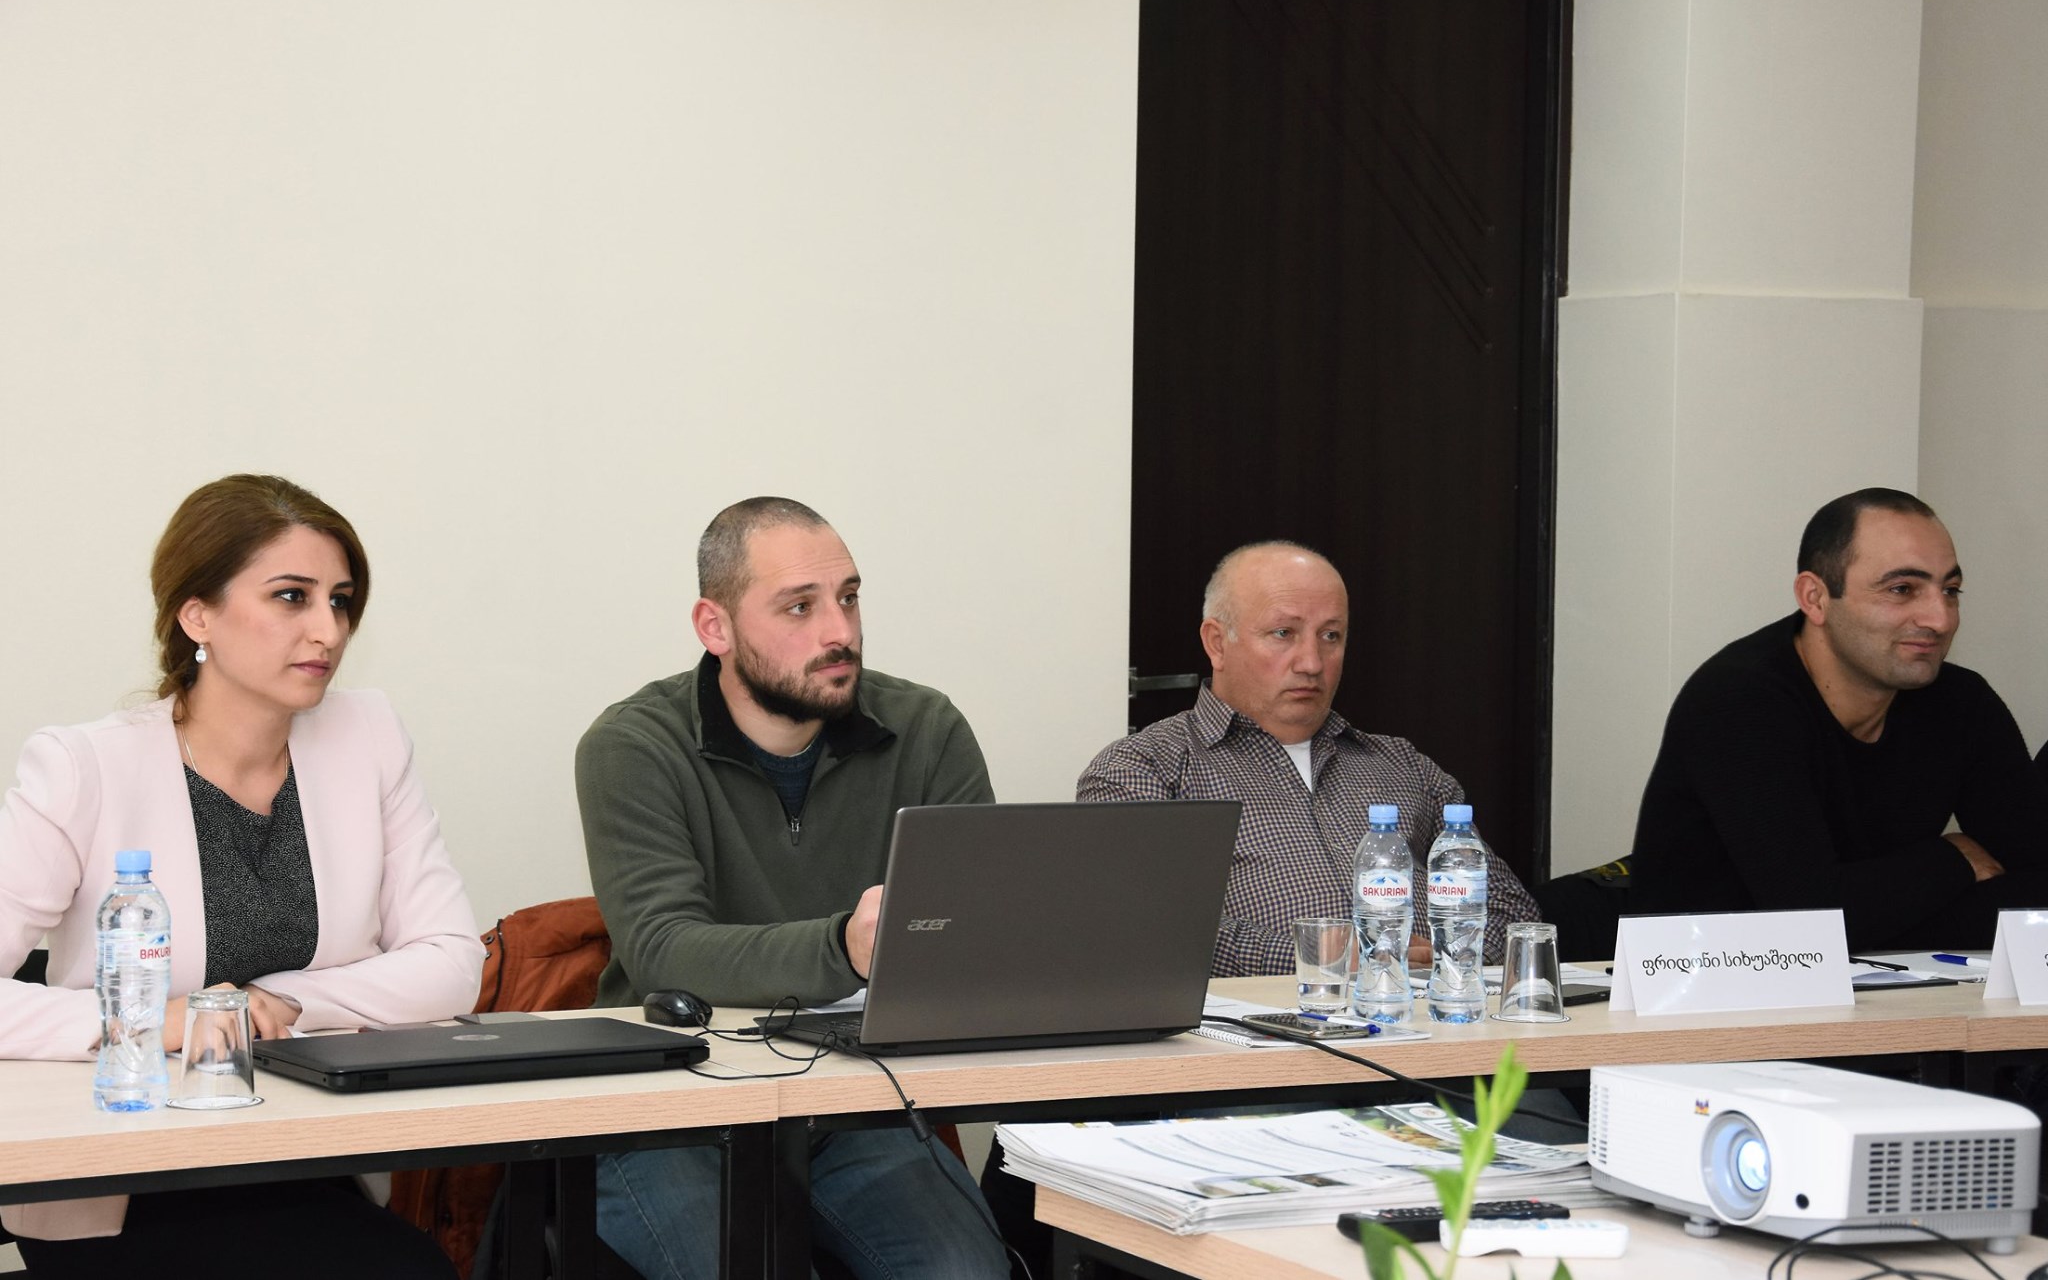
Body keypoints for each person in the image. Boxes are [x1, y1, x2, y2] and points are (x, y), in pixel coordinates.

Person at [0, 474, 481, 1275]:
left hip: (303, 1156)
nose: (327, 629)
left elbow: (452, 961)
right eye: (292, 597)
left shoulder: (366, 734)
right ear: (198, 616)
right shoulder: (84, 765)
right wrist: (154, 1022)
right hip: (124, 1176)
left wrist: (278, 1002)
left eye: (340, 600)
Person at [576, 496, 1007, 1280]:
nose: (840, 630)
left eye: (849, 597)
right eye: (800, 607)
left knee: (965, 1270)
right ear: (715, 626)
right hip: (669, 1108)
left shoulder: (926, 728)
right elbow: (664, 948)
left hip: (852, 1100)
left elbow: (979, 928)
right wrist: (844, 946)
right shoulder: (633, 744)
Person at [1077, 541, 1540, 976]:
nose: (1312, 663)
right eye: (1284, 633)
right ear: (1217, 643)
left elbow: (1512, 912)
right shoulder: (1142, 769)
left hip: (1425, 1012)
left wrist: (1446, 958)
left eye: (1330, 636)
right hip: (1259, 1026)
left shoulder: (1404, 766)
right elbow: (1139, 927)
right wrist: (1323, 954)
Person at [1630, 487, 2048, 949]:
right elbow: (1808, 920)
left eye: (1950, 591)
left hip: (1885, 982)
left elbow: (2036, 883)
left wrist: (1878, 914)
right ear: (1815, 598)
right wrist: (1953, 858)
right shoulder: (1738, 701)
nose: (1941, 619)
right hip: (1699, 976)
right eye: (1902, 589)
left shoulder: (1961, 702)